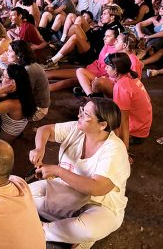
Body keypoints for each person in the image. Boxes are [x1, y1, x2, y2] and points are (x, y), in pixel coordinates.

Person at [29, 98, 130, 248]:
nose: (79, 116)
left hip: (100, 204)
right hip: (69, 190)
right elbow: (45, 130)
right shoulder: (77, 128)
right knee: (23, 195)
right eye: (81, 111)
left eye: (86, 115)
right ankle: (69, 232)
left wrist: (57, 170)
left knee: (90, 228)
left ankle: (41, 231)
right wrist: (39, 148)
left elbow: (97, 188)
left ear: (102, 125)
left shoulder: (114, 149)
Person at [0, 40, 50, 121]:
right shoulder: (24, 65)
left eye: (10, 51)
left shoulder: (28, 70)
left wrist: (0, 92)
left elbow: (21, 93)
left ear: (19, 55)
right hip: (30, 101)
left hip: (37, 111)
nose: (7, 53)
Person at [104, 53, 152, 148]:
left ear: (116, 70)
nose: (105, 68)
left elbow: (124, 121)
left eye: (107, 66)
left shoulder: (121, 86)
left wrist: (125, 150)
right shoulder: (131, 76)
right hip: (143, 126)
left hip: (136, 133)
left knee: (96, 130)